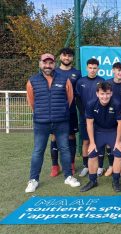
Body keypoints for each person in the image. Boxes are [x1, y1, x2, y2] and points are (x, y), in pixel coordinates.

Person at [25, 53, 81, 193]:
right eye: (45, 63)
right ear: (40, 64)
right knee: (38, 151)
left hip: (61, 122)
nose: (47, 65)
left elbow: (69, 99)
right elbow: (32, 102)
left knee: (65, 149)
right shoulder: (32, 81)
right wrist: (42, 113)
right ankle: (33, 180)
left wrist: (60, 112)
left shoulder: (64, 79)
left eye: (50, 63)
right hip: (41, 123)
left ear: (54, 64)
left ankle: (68, 176)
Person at [79, 82, 121, 192]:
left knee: (118, 153)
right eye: (102, 93)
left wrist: (118, 141)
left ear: (111, 93)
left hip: (113, 131)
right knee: (92, 153)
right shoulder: (91, 104)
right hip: (98, 132)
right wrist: (92, 142)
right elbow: (89, 124)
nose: (105, 96)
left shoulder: (117, 104)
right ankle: (92, 181)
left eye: (107, 94)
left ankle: (116, 181)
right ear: (97, 94)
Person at [49, 48, 81, 177]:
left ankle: (71, 164)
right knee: (54, 137)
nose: (66, 58)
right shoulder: (54, 72)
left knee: (71, 136)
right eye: (64, 55)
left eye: (69, 56)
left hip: (71, 111)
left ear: (72, 58)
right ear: (60, 57)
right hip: (55, 111)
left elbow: (79, 93)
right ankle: (55, 166)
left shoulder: (77, 73)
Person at [75, 58, 105, 177]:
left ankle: (100, 167)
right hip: (85, 117)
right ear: (87, 68)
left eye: (95, 68)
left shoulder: (102, 81)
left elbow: (104, 98)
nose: (92, 70)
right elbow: (77, 99)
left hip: (99, 117)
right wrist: (84, 113)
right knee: (86, 141)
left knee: (100, 142)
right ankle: (86, 166)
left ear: (98, 69)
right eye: (90, 68)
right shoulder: (80, 81)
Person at [102, 62, 121, 177]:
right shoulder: (107, 83)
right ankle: (111, 166)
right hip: (109, 117)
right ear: (113, 70)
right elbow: (103, 99)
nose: (120, 73)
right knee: (109, 142)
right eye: (117, 70)